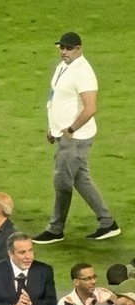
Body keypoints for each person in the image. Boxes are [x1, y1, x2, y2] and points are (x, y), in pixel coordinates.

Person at [33, 32, 120, 244]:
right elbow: (56, 97)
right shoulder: (64, 66)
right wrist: (53, 128)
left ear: (79, 49)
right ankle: (108, 223)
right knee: (81, 179)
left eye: (69, 48)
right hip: (64, 134)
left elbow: (90, 108)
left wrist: (71, 129)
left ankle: (55, 229)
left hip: (76, 138)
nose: (64, 51)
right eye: (61, 47)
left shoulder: (83, 72)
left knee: (62, 182)